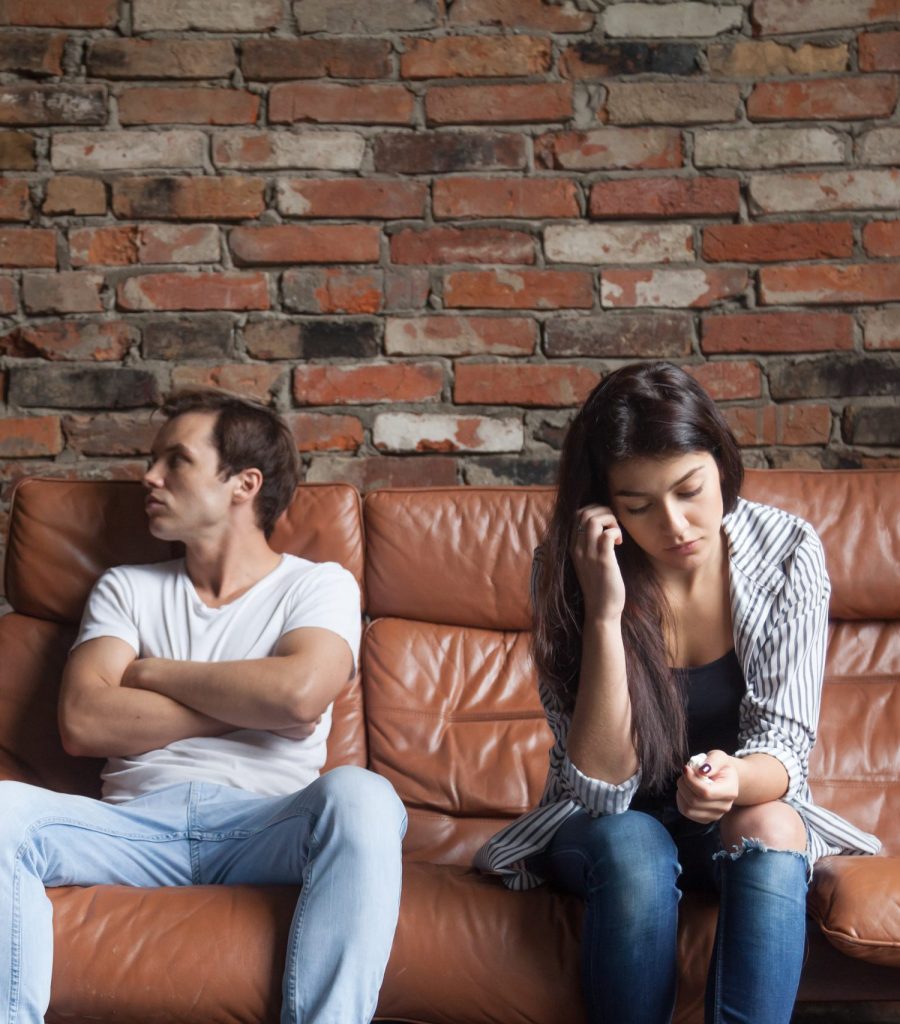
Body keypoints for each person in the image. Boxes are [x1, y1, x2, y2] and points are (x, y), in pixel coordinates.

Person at [476, 362, 880, 1024]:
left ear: (721, 463)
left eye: (690, 490)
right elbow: (601, 791)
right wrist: (606, 612)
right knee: (636, 842)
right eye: (638, 506)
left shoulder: (786, 552)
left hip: (729, 813)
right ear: (604, 505)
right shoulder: (569, 565)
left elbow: (783, 755)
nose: (675, 524)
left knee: (773, 826)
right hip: (605, 830)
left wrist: (732, 779)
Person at [0, 389, 406, 1024]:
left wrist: (150, 673)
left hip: (266, 826)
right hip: (133, 827)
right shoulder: (126, 587)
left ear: (244, 484)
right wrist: (258, 704)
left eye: (175, 461)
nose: (149, 476)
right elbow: (83, 721)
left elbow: (299, 693)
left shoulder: (318, 585)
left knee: (364, 798)